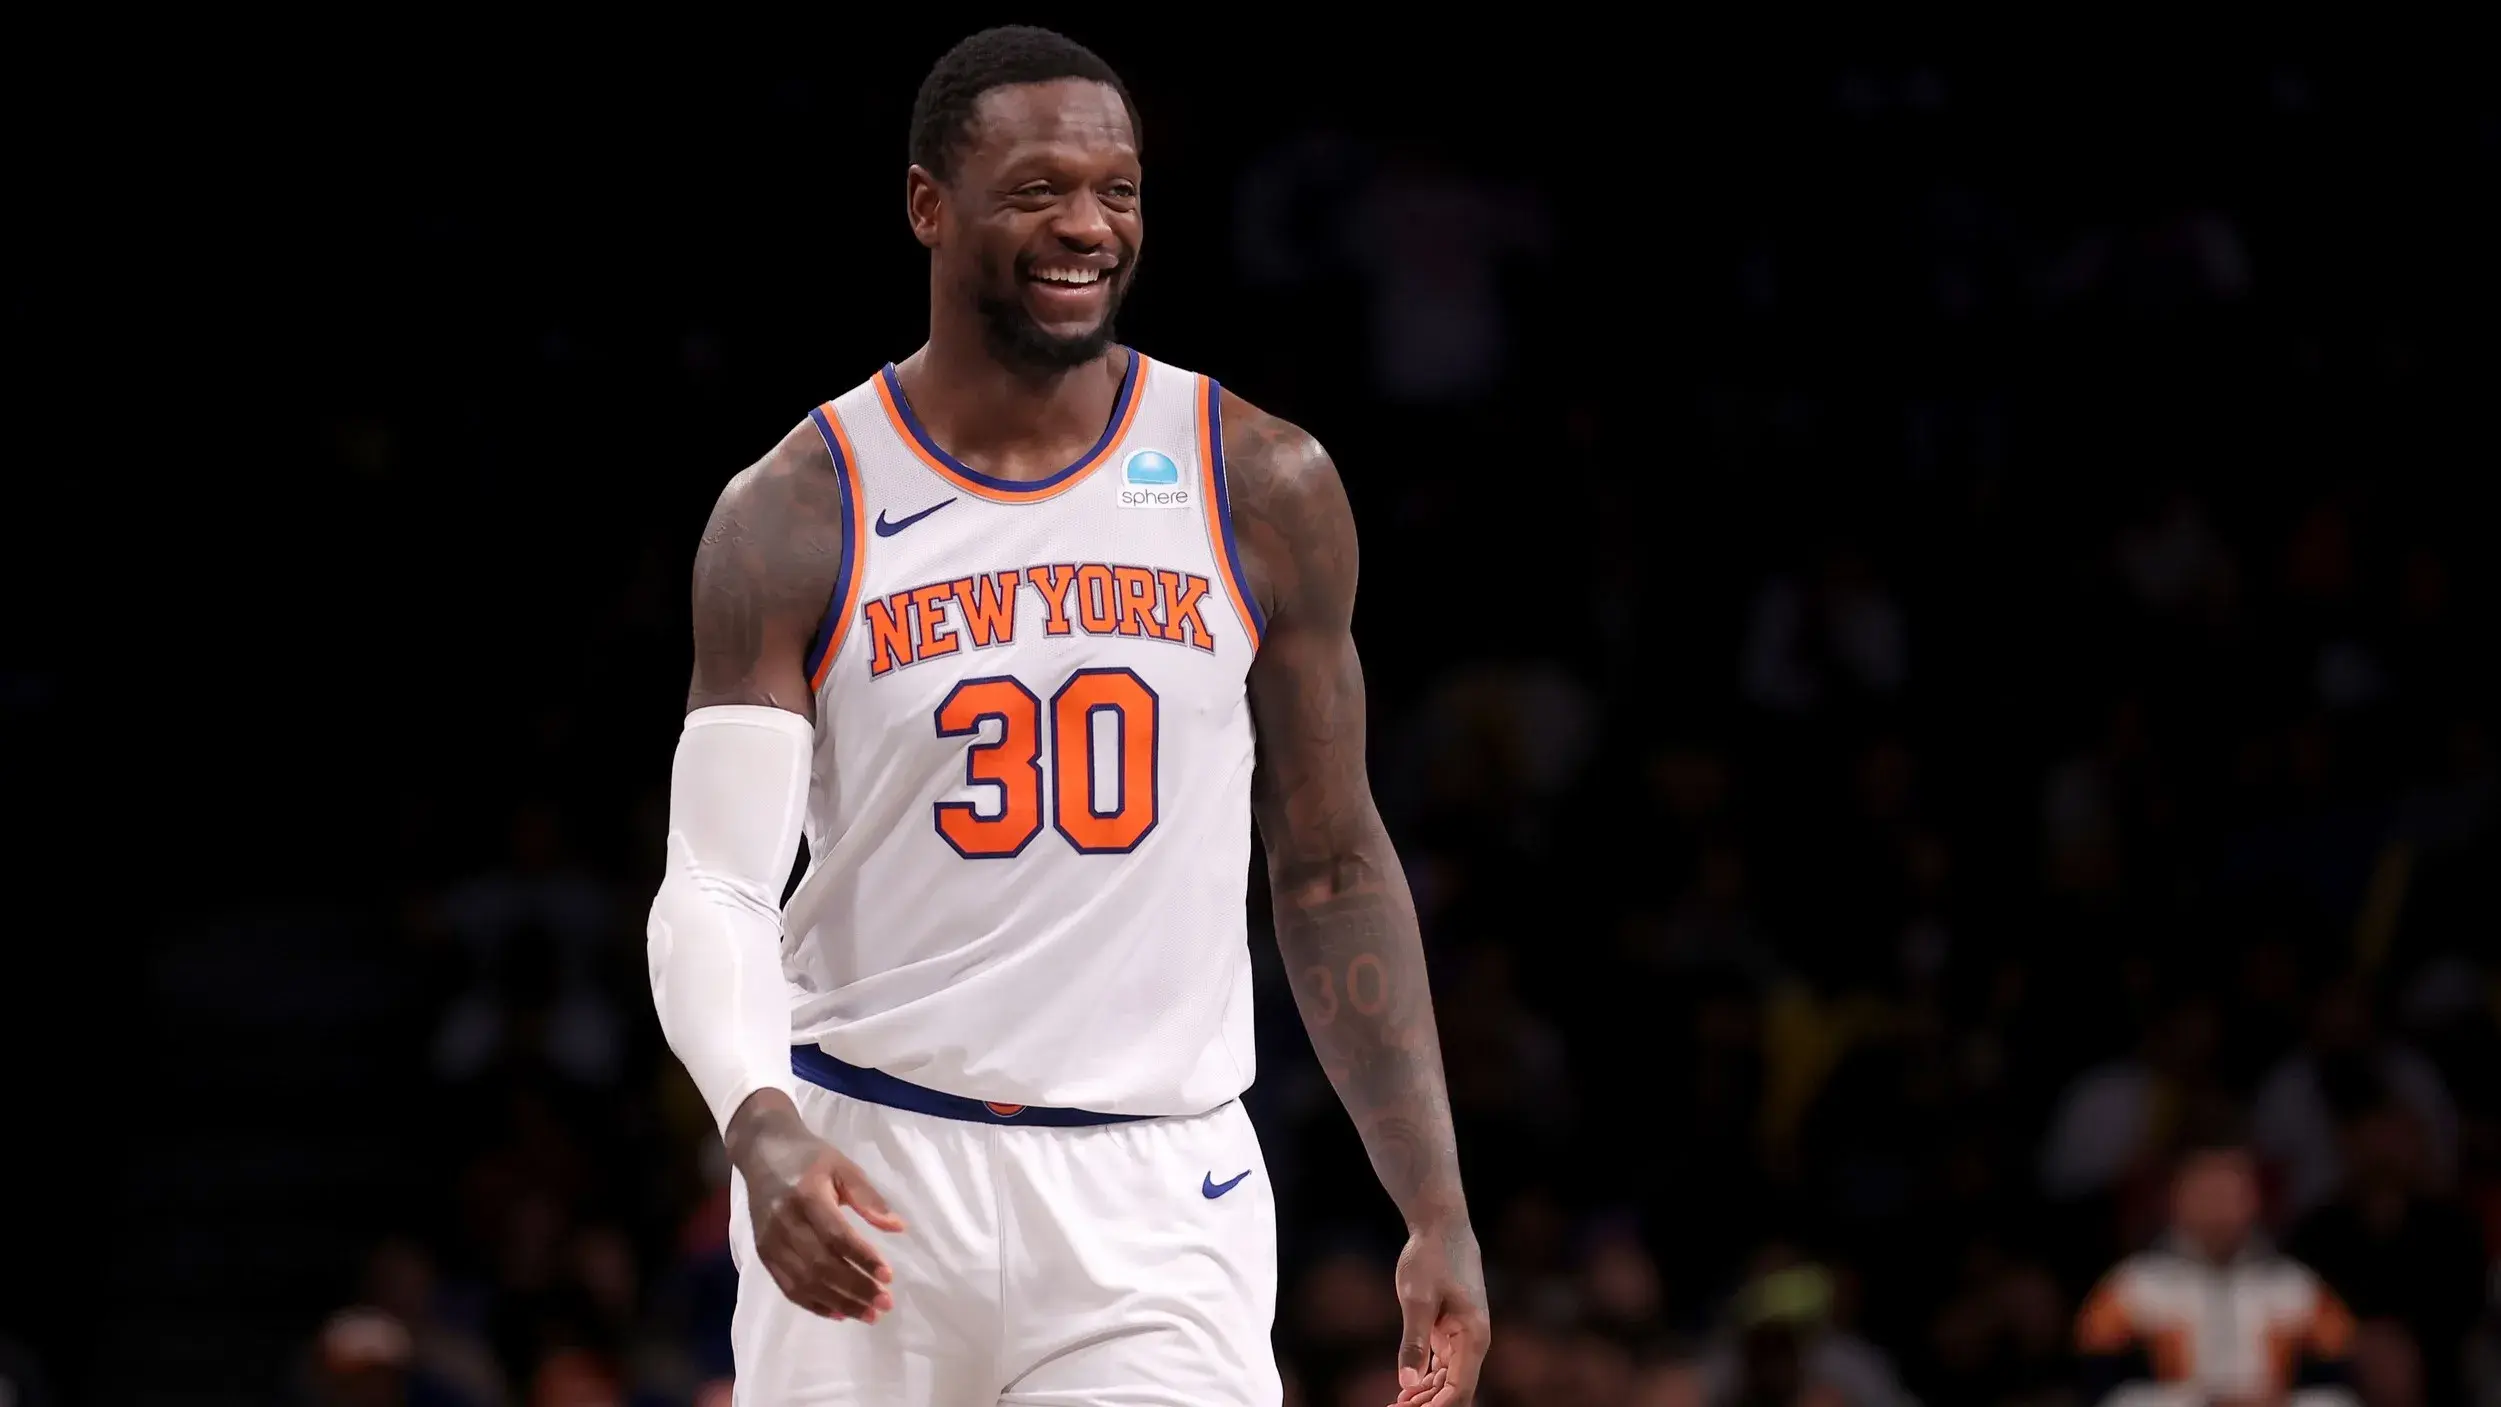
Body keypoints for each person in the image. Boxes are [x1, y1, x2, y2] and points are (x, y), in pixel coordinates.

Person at [641, 24, 1489, 1407]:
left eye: (1120, 188)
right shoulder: (798, 505)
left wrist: (1435, 1203)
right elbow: (717, 886)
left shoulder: (1260, 483)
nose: (1088, 224)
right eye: (1038, 188)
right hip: (868, 1153)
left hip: (1159, 1189)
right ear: (929, 205)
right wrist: (759, 1124)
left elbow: (1332, 864)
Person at [2073, 1128, 2358, 1407]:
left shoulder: (2296, 1287)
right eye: (2207, 1188)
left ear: (2255, 1197)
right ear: (2176, 1196)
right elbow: (2100, 1386)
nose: (2220, 1204)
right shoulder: (2132, 1287)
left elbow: (2339, 1376)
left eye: (2233, 1188)